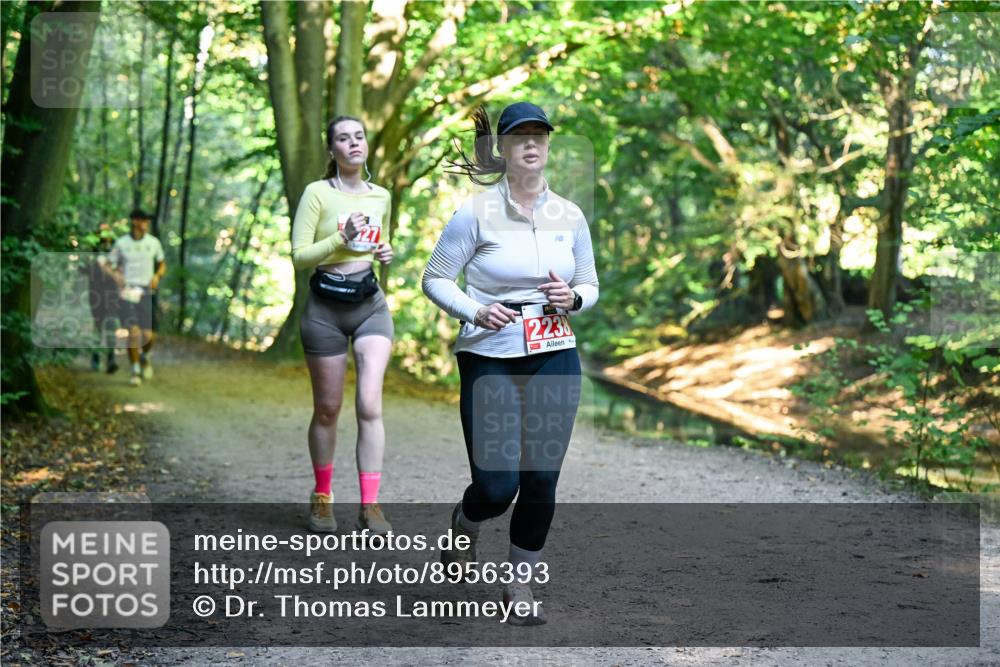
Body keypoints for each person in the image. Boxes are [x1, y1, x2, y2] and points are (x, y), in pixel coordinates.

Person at [422, 102, 599, 625]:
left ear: (547, 147)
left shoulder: (570, 214)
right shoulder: (473, 213)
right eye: (519, 135)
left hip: (554, 351)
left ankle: (518, 583)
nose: (531, 143)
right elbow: (434, 279)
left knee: (541, 478)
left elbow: (588, 281)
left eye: (540, 136)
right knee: (498, 488)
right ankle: (466, 519)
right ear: (501, 148)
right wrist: (475, 309)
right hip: (489, 353)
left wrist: (575, 299)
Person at [291, 115, 395, 536]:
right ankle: (322, 496)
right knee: (328, 408)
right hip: (324, 309)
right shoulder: (317, 193)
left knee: (369, 404)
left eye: (359, 136)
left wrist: (386, 252)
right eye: (342, 138)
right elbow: (299, 255)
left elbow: (374, 247)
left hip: (369, 305)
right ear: (331, 150)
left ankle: (370, 506)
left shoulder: (381, 196)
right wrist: (339, 238)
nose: (353, 143)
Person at [109, 210, 166, 387]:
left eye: (147, 221)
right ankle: (135, 370)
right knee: (133, 332)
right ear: (134, 221)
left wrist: (157, 276)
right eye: (142, 220)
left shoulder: (153, 243)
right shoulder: (121, 243)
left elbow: (162, 263)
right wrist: (116, 276)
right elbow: (109, 265)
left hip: (146, 292)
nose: (145, 224)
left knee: (148, 335)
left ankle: (145, 357)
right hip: (127, 292)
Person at [82, 223, 120, 373]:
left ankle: (111, 359)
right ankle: (95, 357)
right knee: (98, 326)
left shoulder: (116, 253)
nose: (106, 239)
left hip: (112, 294)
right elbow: (82, 269)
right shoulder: (92, 255)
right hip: (96, 295)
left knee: (111, 324)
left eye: (108, 235)